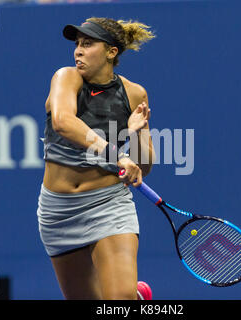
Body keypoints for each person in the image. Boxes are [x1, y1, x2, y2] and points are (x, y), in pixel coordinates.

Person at [36, 17, 156, 300]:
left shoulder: (134, 93)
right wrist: (117, 156)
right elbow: (63, 122)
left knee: (119, 301)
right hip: (58, 210)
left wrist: (138, 134)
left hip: (108, 204)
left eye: (88, 44)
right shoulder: (66, 77)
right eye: (77, 44)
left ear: (111, 52)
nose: (78, 50)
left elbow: (144, 168)